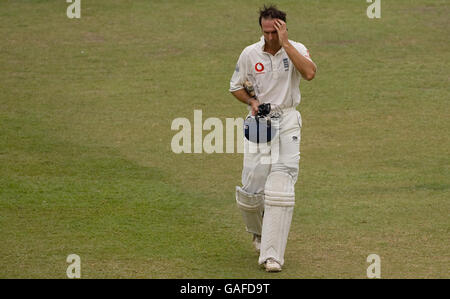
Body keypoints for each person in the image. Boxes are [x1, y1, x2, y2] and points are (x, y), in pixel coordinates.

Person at [229, 5, 316, 272]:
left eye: (274, 32)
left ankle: (272, 256)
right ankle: (257, 232)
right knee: (252, 188)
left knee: (281, 187)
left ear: (283, 27)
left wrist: (286, 44)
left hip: (288, 120)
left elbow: (310, 73)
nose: (269, 37)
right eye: (266, 32)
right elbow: (236, 87)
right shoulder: (249, 53)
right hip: (259, 123)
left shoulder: (296, 48)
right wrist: (253, 101)